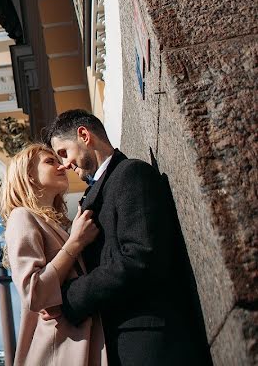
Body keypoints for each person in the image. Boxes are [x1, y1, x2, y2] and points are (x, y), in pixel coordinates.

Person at [44, 109, 212, 365]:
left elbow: (140, 258)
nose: (64, 164)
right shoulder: (96, 194)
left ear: (84, 135)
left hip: (152, 343)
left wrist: (70, 298)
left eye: (64, 153)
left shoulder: (130, 174)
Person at [0, 143, 107, 366]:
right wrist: (76, 242)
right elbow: (34, 293)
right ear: (29, 175)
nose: (63, 166)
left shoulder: (54, 225)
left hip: (78, 341)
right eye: (50, 162)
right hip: (60, 351)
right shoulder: (21, 217)